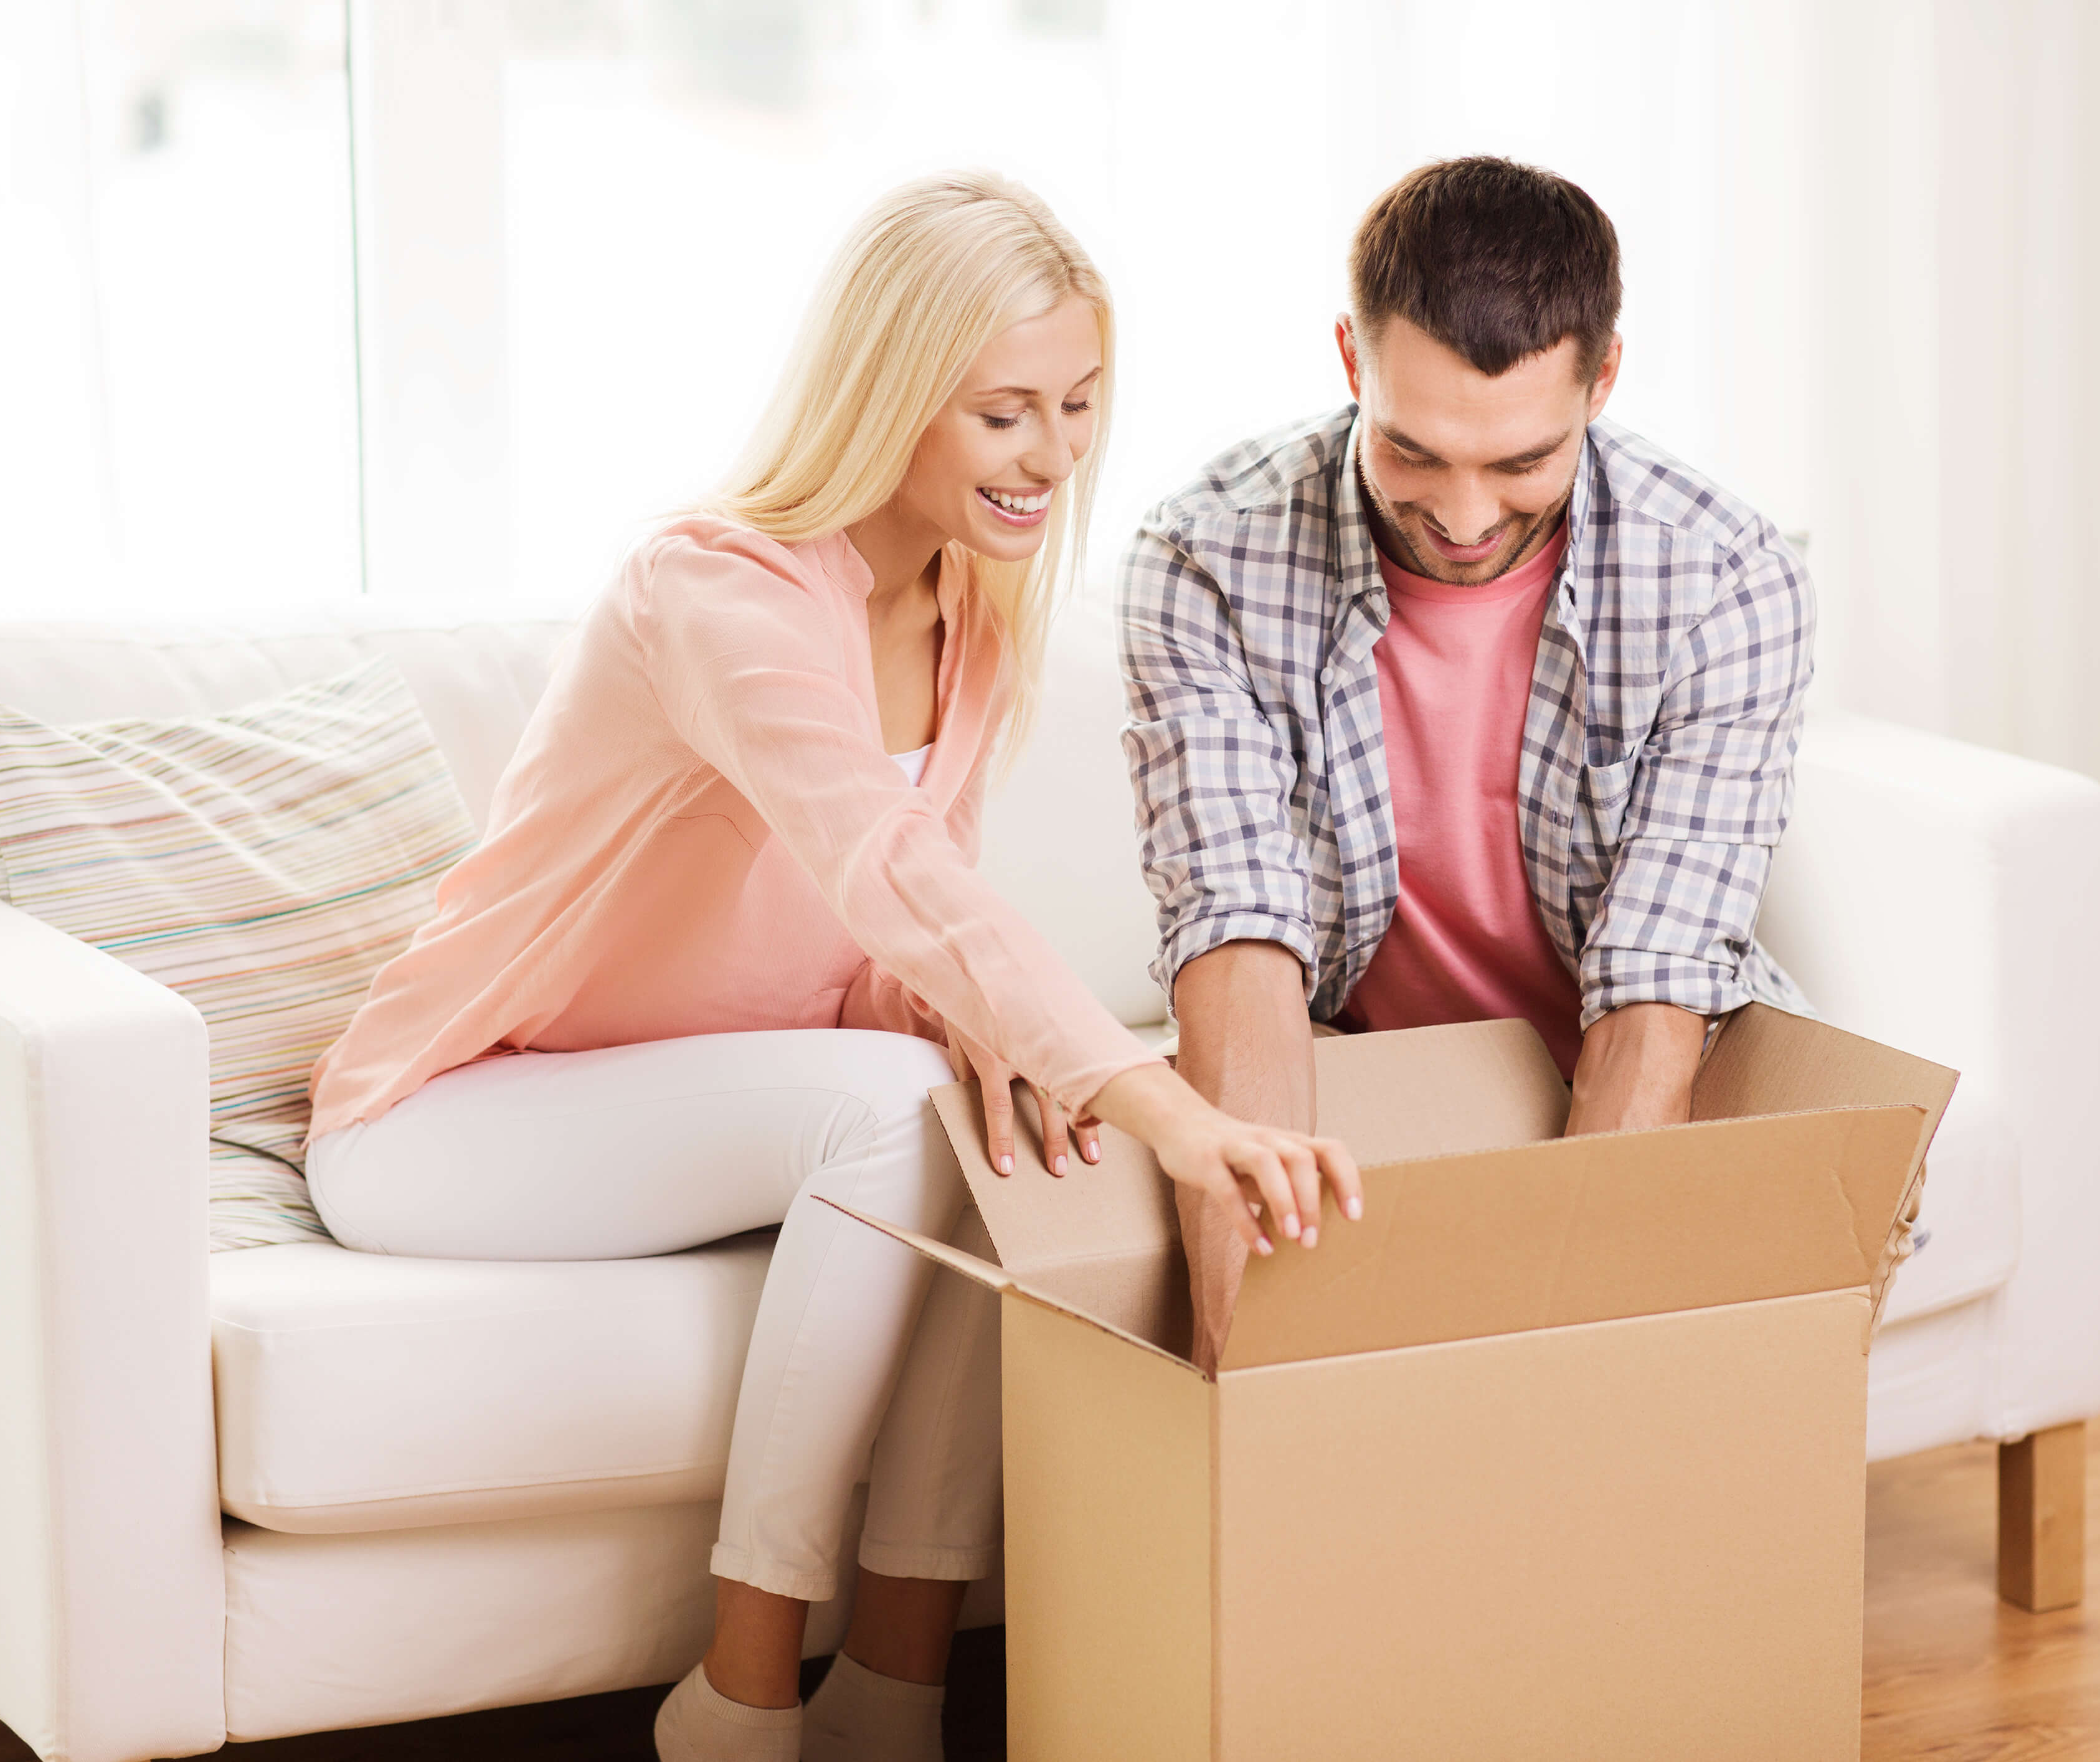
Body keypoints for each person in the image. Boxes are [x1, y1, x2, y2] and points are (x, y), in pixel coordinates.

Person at [303, 171, 1360, 1762]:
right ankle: (736, 1695)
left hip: (675, 1109)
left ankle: (894, 1690)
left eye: (1076, 405)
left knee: (993, 1120)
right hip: (448, 1114)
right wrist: (1171, 1107)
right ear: (891, 393)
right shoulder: (714, 590)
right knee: (907, 1103)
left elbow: (875, 951)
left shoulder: (972, 610)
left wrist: (1005, 1046)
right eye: (1003, 411)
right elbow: (878, 855)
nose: (1052, 455)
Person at [1120, 156, 1812, 1371]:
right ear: (1351, 360)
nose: (1461, 513)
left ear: (1602, 379)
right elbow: (1238, 948)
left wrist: (1565, 1342)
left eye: (1518, 463)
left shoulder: (1726, 577)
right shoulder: (1205, 557)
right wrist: (1243, 1360)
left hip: (1623, 1061)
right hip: (1374, 1068)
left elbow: (1654, 998)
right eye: (1415, 451)